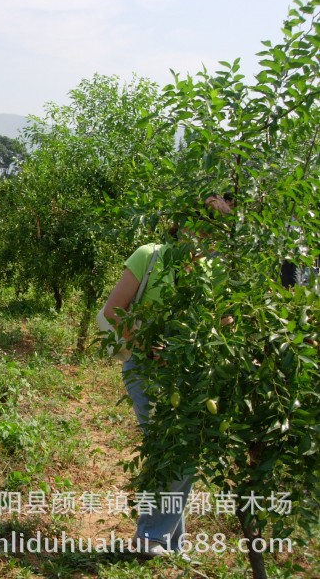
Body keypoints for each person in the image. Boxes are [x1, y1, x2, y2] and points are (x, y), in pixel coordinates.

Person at [101, 196, 232, 558]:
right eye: (205, 228)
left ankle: (170, 539)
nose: (208, 238)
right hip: (147, 371)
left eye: (216, 232)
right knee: (172, 453)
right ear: (184, 225)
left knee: (180, 453)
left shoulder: (211, 271)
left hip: (193, 376)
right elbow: (114, 311)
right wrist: (145, 344)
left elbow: (223, 321)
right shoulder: (150, 255)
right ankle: (151, 537)